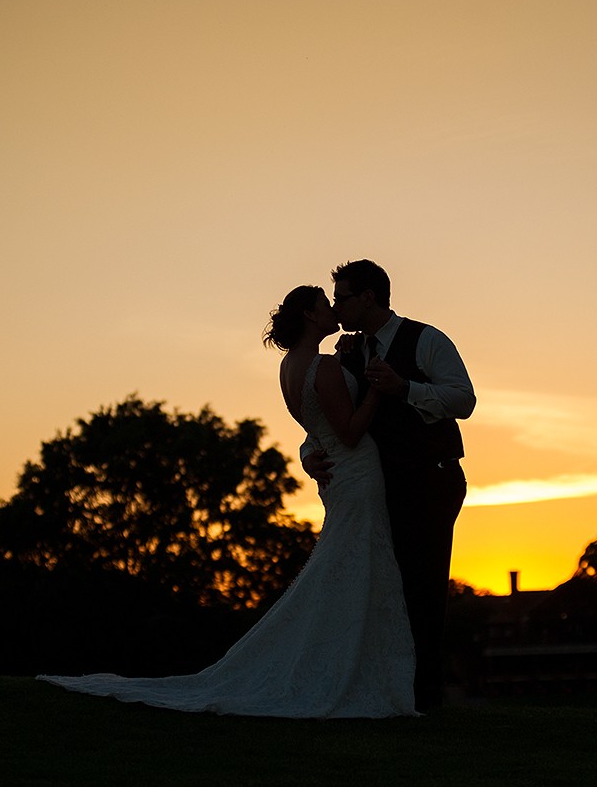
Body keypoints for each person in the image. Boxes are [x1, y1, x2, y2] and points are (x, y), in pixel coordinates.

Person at [37, 285, 417, 718]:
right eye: (325, 305)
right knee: (356, 568)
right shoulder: (325, 367)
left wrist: (309, 454)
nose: (333, 309)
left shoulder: (289, 367)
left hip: (334, 475)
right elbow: (348, 433)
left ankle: (344, 665)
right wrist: (374, 385)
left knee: (346, 567)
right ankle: (348, 673)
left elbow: (314, 428)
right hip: (355, 472)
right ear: (311, 316)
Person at [302, 260, 475, 712]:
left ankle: (426, 698)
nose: (336, 304)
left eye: (341, 297)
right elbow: (329, 412)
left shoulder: (427, 339)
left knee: (425, 586)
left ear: (368, 298)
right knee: (382, 587)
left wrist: (404, 388)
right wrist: (308, 454)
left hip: (430, 477)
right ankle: (386, 691)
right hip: (376, 487)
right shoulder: (348, 353)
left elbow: (464, 399)